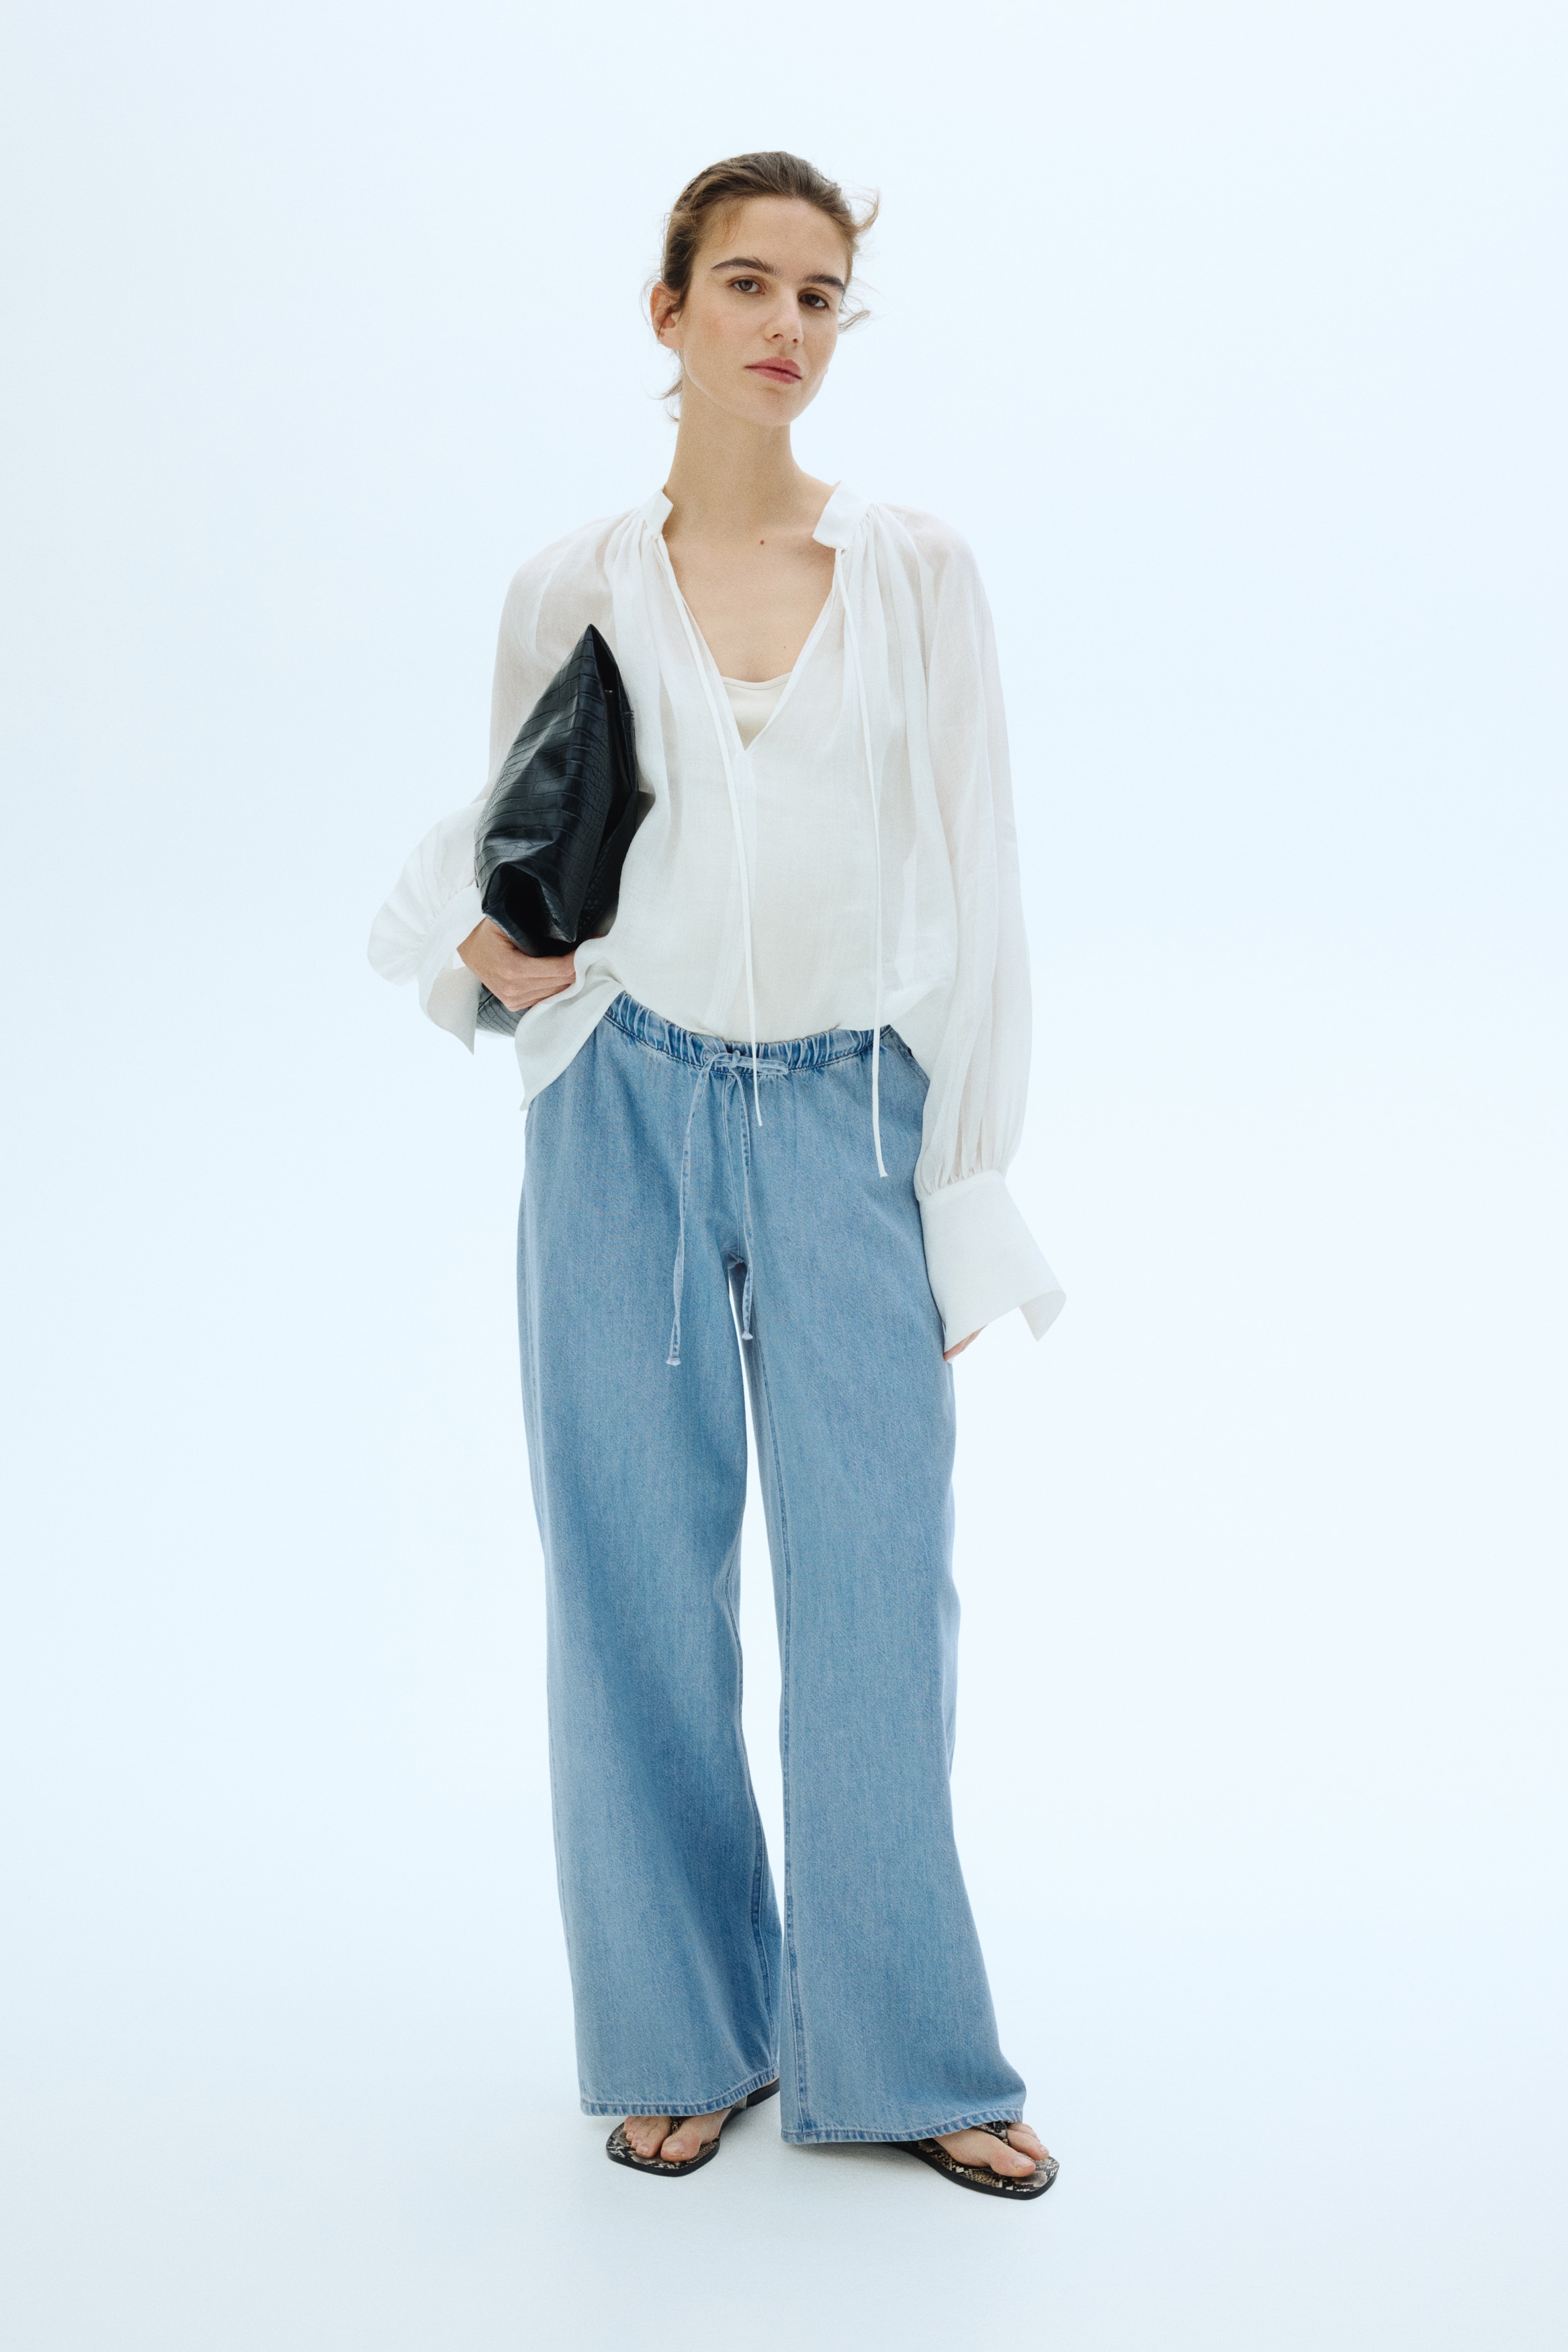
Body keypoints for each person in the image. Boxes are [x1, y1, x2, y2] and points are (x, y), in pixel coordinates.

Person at [369, 151, 1064, 2200]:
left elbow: (984, 889)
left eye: (820, 294)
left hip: (856, 1114)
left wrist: (962, 1188)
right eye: (747, 283)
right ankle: (680, 2032)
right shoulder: (568, 583)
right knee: (631, 1589)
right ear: (666, 311)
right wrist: (502, 984)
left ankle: (903, 2046)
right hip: (624, 1112)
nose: (785, 324)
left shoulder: (919, 571)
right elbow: (524, 858)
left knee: (878, 1593)